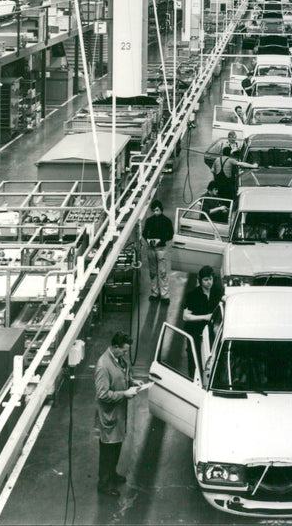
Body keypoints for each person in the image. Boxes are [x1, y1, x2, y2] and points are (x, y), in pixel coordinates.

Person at [95, 332, 141, 496]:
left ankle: (112, 475)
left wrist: (132, 382)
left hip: (119, 414)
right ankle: (104, 484)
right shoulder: (103, 366)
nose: (125, 354)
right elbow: (102, 394)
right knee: (108, 450)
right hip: (109, 416)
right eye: (124, 350)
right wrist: (124, 394)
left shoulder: (118, 359)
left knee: (116, 446)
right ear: (115, 347)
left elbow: (123, 375)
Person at [183, 265, 223, 376]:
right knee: (194, 357)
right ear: (200, 280)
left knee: (210, 357)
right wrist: (205, 317)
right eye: (206, 280)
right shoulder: (193, 295)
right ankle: (193, 379)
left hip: (211, 331)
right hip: (194, 331)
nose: (209, 282)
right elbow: (186, 316)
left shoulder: (217, 291)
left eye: (210, 279)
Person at [142, 199, 174, 303]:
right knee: (152, 273)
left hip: (161, 249)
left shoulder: (166, 221)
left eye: (156, 210)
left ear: (161, 209)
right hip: (151, 249)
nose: (155, 213)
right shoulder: (149, 221)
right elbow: (144, 233)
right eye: (153, 211)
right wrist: (149, 240)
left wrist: (160, 240)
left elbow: (171, 234)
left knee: (162, 272)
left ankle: (165, 295)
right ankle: (154, 293)